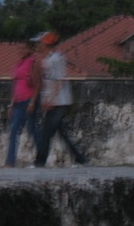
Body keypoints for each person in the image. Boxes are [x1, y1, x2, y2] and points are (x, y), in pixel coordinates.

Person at [33, 31, 87, 167]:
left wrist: (50, 100)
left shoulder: (56, 59)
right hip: (54, 100)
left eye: (39, 43)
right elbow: (47, 82)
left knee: (46, 132)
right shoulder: (46, 60)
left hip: (60, 101)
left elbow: (58, 81)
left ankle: (39, 162)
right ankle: (80, 158)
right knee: (60, 132)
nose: (37, 46)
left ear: (45, 44)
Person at [4, 40, 39, 167]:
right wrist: (11, 104)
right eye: (19, 49)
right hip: (18, 102)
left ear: (30, 50)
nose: (21, 51)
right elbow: (16, 84)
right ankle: (10, 161)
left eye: (24, 49)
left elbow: (37, 84)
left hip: (28, 100)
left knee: (32, 130)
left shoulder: (32, 63)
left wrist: (32, 103)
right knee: (13, 132)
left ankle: (41, 157)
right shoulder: (19, 64)